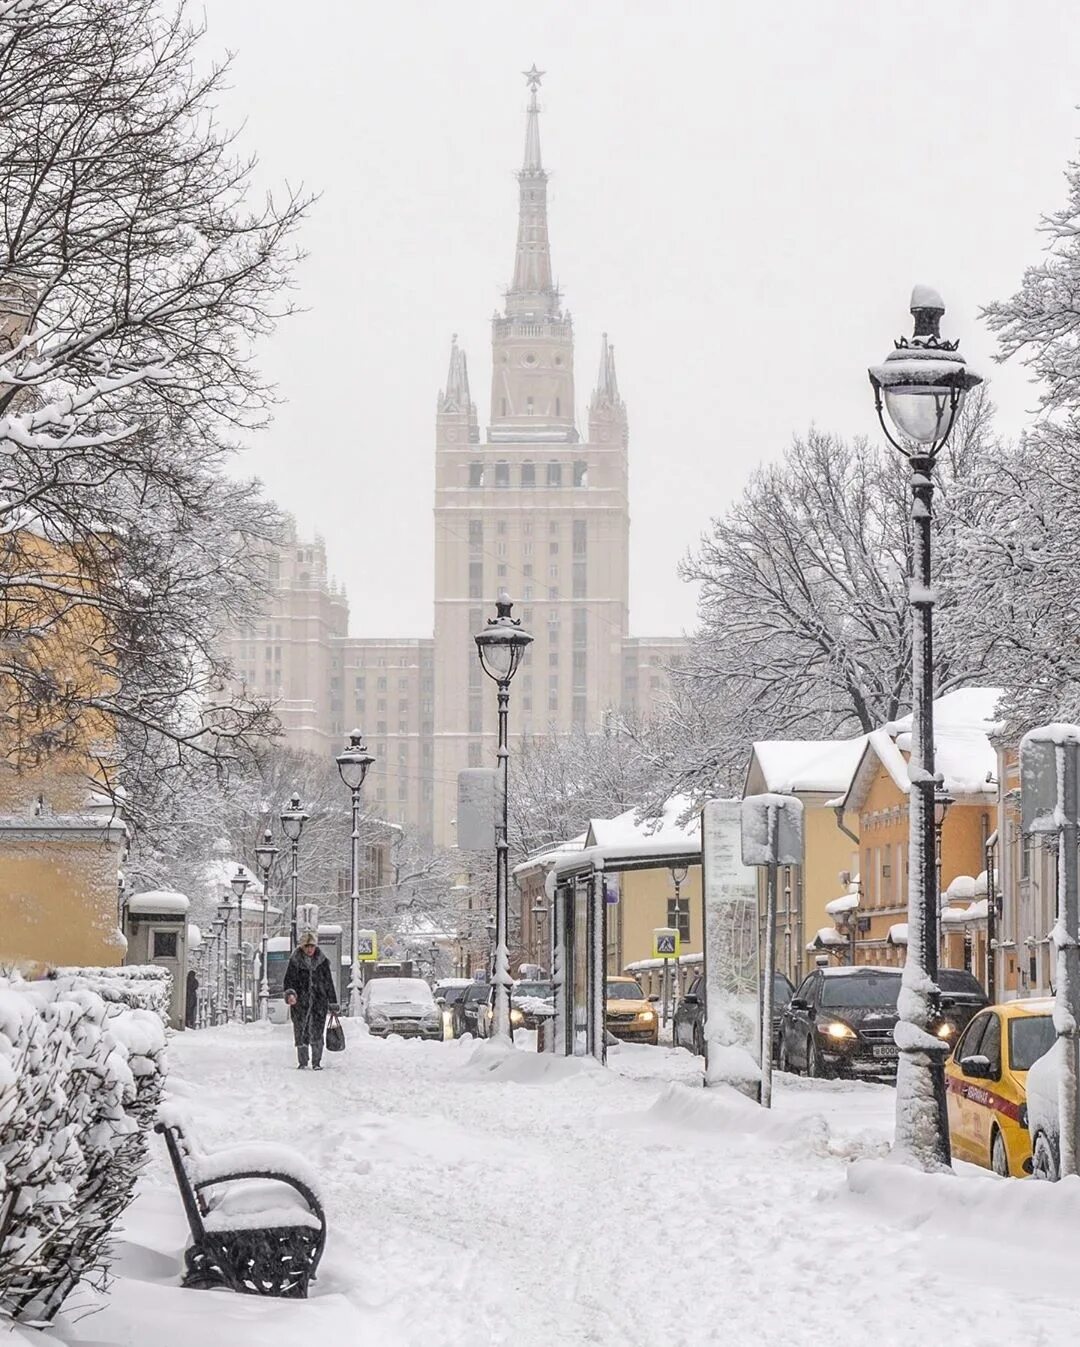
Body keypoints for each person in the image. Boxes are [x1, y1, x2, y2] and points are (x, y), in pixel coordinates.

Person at [282, 930, 338, 1069]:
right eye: (307, 946)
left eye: (312, 946)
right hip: (300, 1003)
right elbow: (289, 981)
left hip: (319, 1002)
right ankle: (302, 1061)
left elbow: (328, 982)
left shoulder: (322, 961)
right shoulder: (295, 962)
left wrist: (332, 1002)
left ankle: (316, 1061)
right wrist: (291, 994)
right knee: (301, 1031)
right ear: (302, 947)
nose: (309, 949)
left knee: (317, 1031)